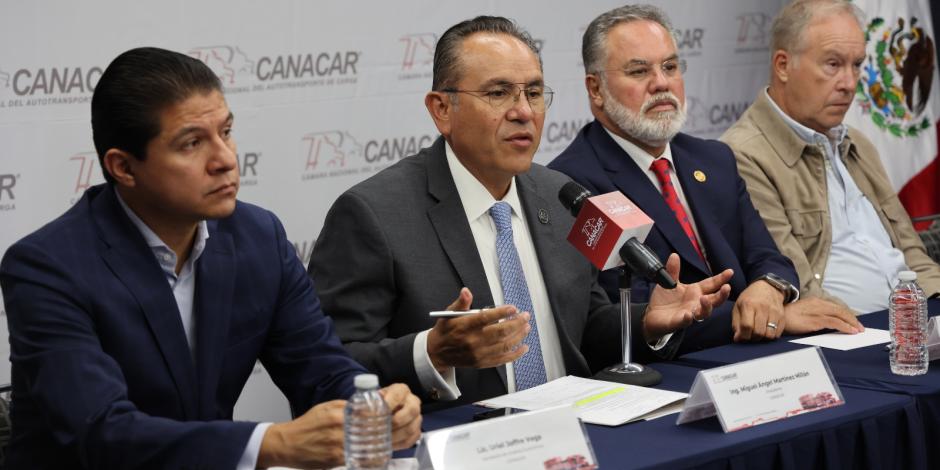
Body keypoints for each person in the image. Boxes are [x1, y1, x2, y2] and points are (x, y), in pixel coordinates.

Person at [0, 47, 421, 469]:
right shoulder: (47, 268)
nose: (225, 159)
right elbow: (103, 433)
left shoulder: (258, 236)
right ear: (123, 167)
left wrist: (372, 404)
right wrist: (270, 444)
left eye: (226, 131)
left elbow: (320, 370)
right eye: (192, 143)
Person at [308, 16, 733, 410]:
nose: (524, 112)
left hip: (574, 435)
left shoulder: (563, 195)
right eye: (498, 93)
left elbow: (584, 331)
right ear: (441, 109)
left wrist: (646, 322)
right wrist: (431, 353)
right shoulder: (373, 214)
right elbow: (328, 368)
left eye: (533, 93)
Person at [549, 4, 862, 350]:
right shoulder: (574, 182)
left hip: (762, 353)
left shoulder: (713, 158)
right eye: (639, 72)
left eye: (670, 66)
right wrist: (765, 318)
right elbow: (621, 309)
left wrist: (770, 288)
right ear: (596, 90)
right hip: (675, 369)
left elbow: (768, 256)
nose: (661, 83)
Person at [721, 0, 940, 314]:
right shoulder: (741, 155)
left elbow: (913, 254)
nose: (850, 84)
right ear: (783, 65)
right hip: (846, 334)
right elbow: (796, 283)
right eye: (833, 65)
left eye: (857, 65)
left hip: (912, 324)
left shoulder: (857, 142)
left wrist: (935, 306)